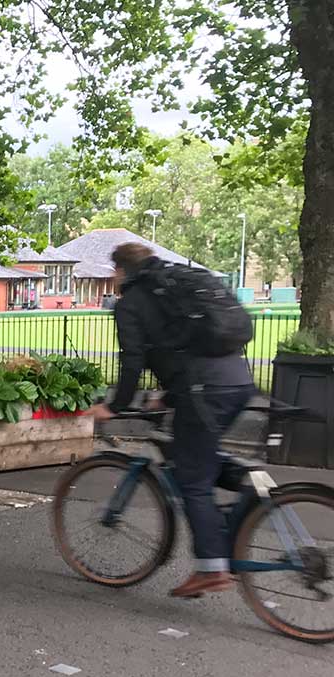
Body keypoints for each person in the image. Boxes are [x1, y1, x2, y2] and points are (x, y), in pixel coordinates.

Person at [87, 242, 255, 599]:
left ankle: (211, 567)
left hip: (203, 388)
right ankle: (249, 484)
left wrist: (115, 406)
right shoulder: (176, 285)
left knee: (192, 479)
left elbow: (132, 361)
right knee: (195, 453)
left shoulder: (132, 302)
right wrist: (168, 394)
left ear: (119, 271)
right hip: (236, 380)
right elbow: (181, 347)